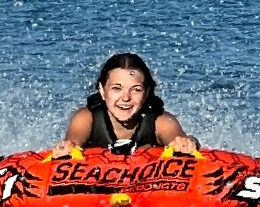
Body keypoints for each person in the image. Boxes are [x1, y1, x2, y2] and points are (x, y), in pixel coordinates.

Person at [52, 52, 198, 157]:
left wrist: (187, 143)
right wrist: (67, 147)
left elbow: (179, 138)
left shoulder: (162, 122)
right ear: (102, 91)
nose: (126, 98)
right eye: (117, 88)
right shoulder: (86, 118)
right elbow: (73, 141)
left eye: (136, 90)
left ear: (146, 93)